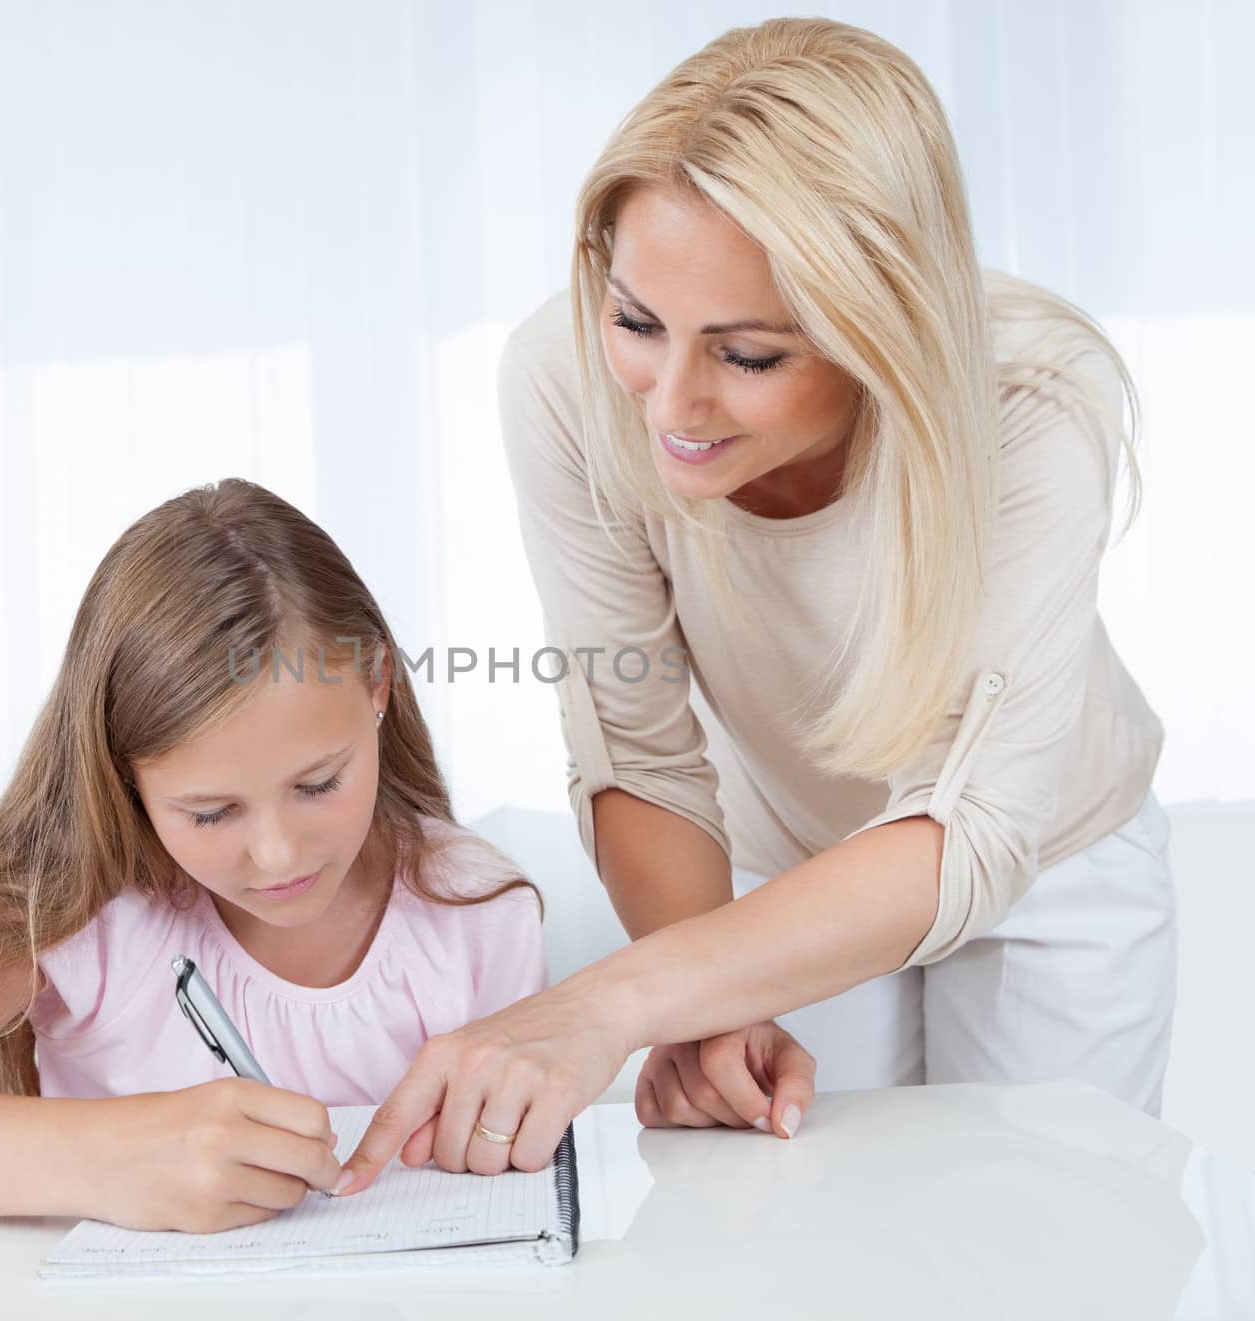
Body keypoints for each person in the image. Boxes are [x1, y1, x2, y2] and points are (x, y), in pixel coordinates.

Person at [339, 16, 1171, 1192]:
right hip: (780, 868)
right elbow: (640, 748)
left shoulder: (1029, 393)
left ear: (880, 326)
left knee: (1046, 1244)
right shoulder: (563, 381)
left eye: (749, 356)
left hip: (1049, 856)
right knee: (801, 1225)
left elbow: (975, 825)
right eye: (638, 322)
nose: (670, 402)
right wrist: (698, 1002)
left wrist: (612, 1006)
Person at [0, 479, 546, 1231]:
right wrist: (111, 1156)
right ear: (125, 774)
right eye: (210, 812)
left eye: (319, 783)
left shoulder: (477, 910)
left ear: (378, 689)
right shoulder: (80, 913)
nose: (277, 851)